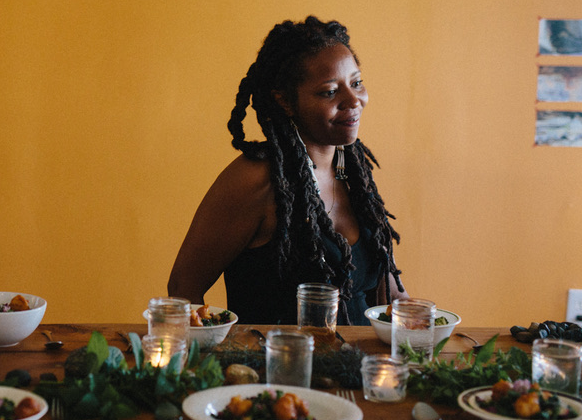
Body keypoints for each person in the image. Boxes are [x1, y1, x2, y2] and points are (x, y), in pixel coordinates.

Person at [167, 16, 405, 325]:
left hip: (363, 368)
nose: (353, 100)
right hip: (276, 367)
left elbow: (392, 297)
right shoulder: (256, 179)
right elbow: (183, 288)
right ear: (285, 101)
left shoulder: (355, 175)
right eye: (330, 92)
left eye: (356, 83)